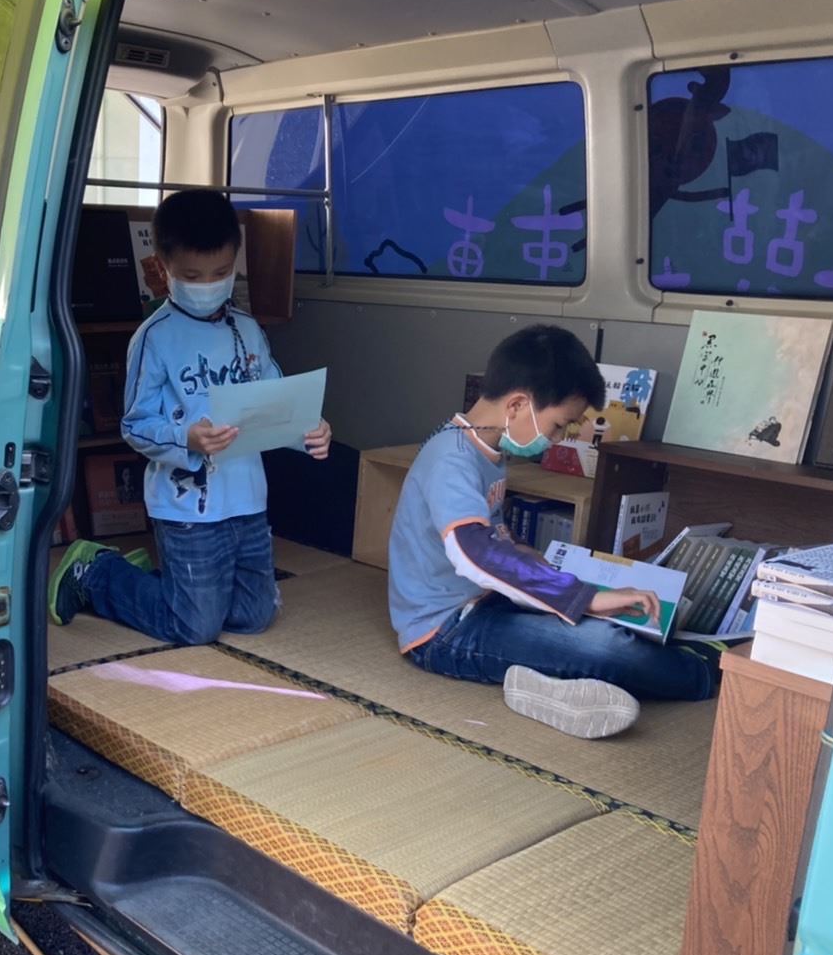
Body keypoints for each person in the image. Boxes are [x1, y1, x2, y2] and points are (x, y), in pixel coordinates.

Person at [388, 324, 724, 740]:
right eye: (559, 425)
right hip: (445, 631)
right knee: (605, 646)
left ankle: (544, 682)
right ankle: (708, 672)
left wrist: (537, 561)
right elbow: (473, 551)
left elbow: (493, 535)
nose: (559, 438)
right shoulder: (450, 460)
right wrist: (585, 597)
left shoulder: (486, 449)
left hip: (489, 600)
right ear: (517, 405)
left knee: (606, 623)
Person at [49, 188, 332, 645]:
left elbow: (278, 405)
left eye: (220, 273)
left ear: (235, 261)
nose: (208, 285)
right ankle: (98, 571)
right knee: (194, 627)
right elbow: (134, 425)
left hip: (248, 499)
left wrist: (309, 432)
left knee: (254, 617)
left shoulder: (248, 329)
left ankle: (168, 586)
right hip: (186, 507)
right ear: (163, 268)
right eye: (192, 275)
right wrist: (187, 439)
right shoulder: (154, 337)